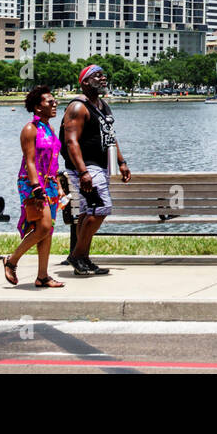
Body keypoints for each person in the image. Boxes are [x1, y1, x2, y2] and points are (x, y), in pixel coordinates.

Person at [61, 64, 131, 276]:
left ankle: (83, 259)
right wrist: (83, 172)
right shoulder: (77, 107)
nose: (102, 79)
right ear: (84, 82)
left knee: (88, 211)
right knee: (101, 208)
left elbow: (110, 136)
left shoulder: (102, 106)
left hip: (100, 165)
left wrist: (121, 161)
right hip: (86, 167)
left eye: (103, 75)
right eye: (96, 76)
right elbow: (71, 142)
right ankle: (76, 255)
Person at [3, 85, 65, 288]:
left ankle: (42, 276)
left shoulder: (50, 128)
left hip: (50, 183)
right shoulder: (31, 129)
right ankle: (12, 260)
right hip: (32, 183)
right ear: (38, 108)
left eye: (55, 101)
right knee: (44, 226)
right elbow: (30, 160)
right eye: (50, 102)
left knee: (48, 230)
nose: (55, 104)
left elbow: (53, 160)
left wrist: (58, 184)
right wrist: (36, 187)